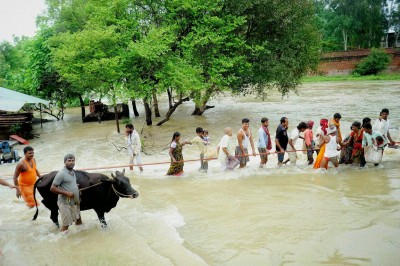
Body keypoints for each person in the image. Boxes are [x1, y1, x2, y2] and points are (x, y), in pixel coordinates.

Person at [50, 154, 82, 232]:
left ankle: (81, 236)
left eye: (73, 160)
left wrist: (76, 189)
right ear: (64, 162)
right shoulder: (61, 173)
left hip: (74, 202)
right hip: (65, 203)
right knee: (66, 225)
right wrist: (66, 193)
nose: (71, 162)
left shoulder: (72, 172)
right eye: (69, 161)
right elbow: (52, 188)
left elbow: (70, 183)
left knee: (79, 220)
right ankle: (62, 241)